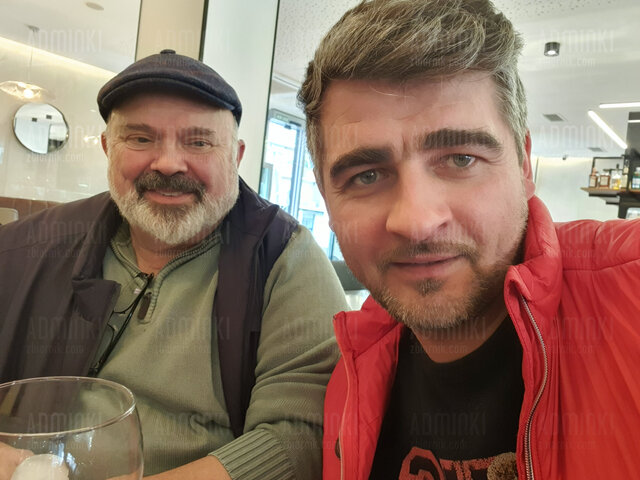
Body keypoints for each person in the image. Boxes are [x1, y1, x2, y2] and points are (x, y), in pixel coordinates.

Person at [298, 1, 640, 479]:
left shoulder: (630, 295)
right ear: (326, 198)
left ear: (523, 165)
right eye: (367, 174)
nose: (417, 222)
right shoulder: (349, 383)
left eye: (461, 159)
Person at [0, 49, 348, 479]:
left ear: (235, 156)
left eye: (198, 142)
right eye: (140, 139)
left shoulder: (283, 259)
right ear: (108, 148)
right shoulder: (26, 248)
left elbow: (300, 434)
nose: (167, 164)